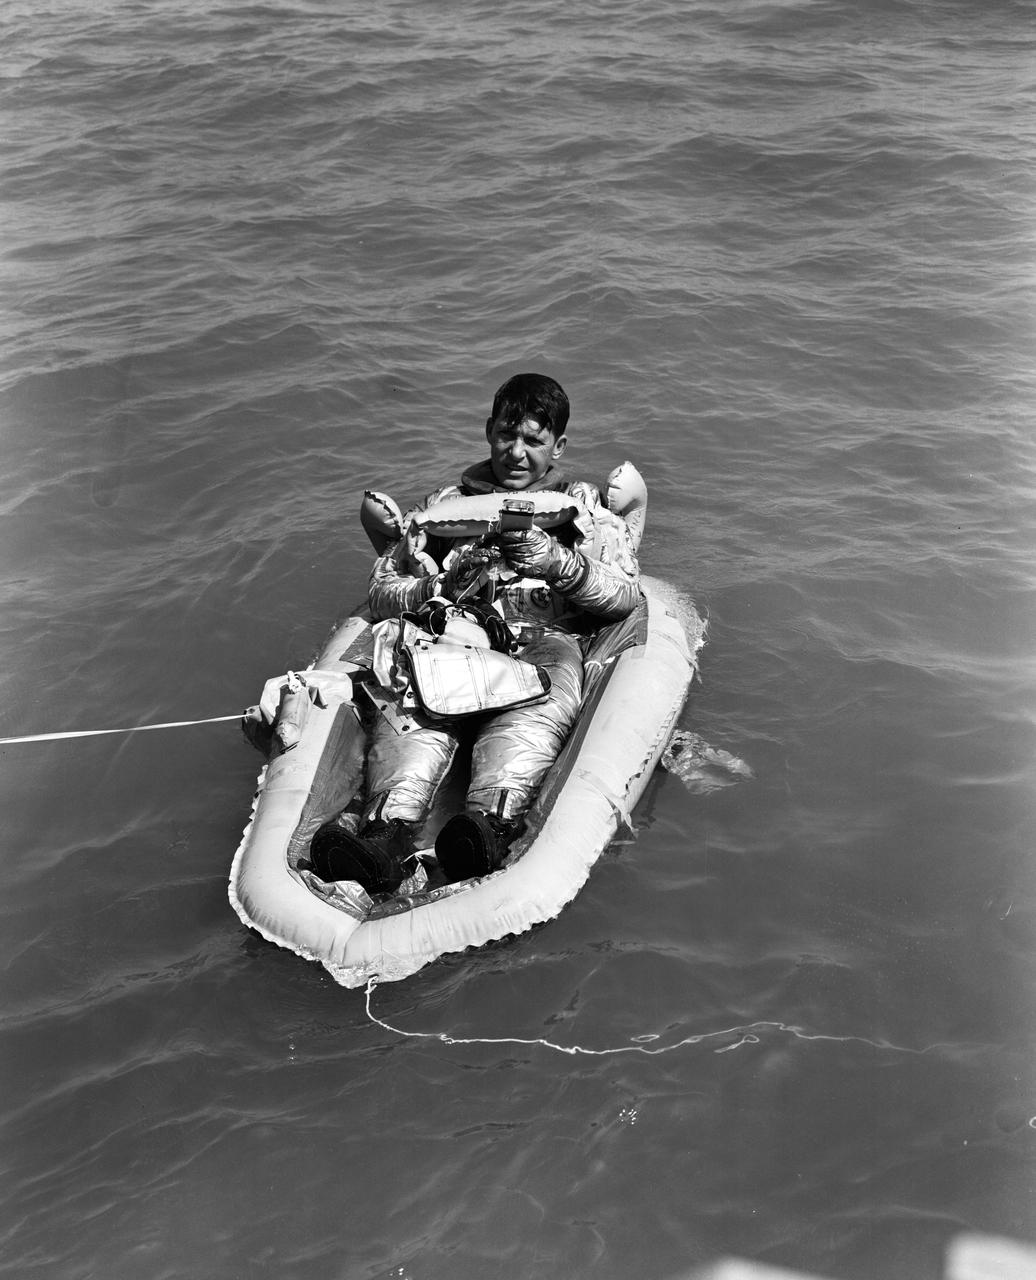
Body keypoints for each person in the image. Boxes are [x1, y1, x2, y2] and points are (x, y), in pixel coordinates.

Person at [310, 372, 641, 894]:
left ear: (558, 445)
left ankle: (490, 823)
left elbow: (623, 594)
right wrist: (431, 586)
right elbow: (382, 591)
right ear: (488, 430)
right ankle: (385, 836)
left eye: (533, 441)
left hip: (541, 639)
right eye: (506, 435)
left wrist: (556, 561)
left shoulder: (582, 504)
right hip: (450, 637)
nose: (516, 453)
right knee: (413, 706)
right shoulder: (445, 503)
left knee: (536, 707)